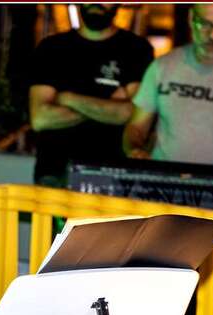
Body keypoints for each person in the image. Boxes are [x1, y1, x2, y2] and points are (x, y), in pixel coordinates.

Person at [29, 4, 154, 187]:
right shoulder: (51, 48)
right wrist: (109, 105)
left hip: (113, 175)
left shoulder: (136, 49)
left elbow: (131, 114)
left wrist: (67, 98)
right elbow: (40, 119)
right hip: (55, 174)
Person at [123, 4, 213, 167]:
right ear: (191, 18)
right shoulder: (162, 66)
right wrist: (135, 150)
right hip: (164, 178)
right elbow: (136, 127)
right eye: (204, 24)